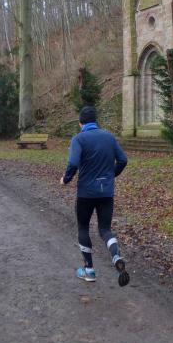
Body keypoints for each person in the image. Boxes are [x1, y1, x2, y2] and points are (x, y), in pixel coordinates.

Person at [60, 106, 130, 286]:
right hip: (106, 192)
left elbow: (73, 163)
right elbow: (123, 160)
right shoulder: (109, 137)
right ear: (95, 121)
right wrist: (111, 175)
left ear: (80, 123)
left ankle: (89, 270)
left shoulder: (79, 139)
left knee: (83, 228)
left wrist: (65, 179)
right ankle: (115, 256)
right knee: (105, 229)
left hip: (86, 193)